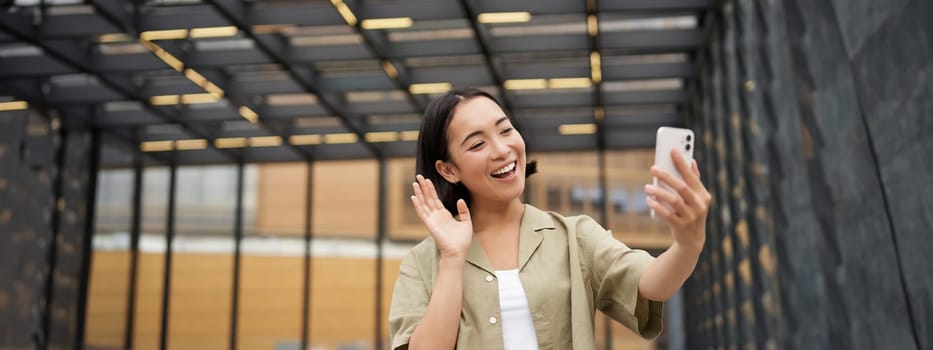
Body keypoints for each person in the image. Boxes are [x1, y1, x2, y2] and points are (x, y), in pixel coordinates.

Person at [388, 87, 711, 349]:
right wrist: (453, 259)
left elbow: (651, 284)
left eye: (505, 130)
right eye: (477, 143)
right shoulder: (422, 263)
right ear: (448, 169)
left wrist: (688, 243)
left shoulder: (575, 236)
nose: (502, 149)